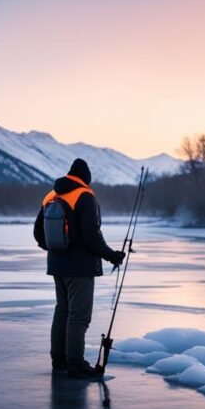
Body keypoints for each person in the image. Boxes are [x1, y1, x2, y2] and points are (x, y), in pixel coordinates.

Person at [34, 158, 125, 379]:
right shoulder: (84, 196)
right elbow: (91, 236)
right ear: (86, 178)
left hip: (56, 266)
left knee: (62, 311)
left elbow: (38, 234)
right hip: (80, 269)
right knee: (79, 317)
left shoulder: (51, 195)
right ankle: (76, 365)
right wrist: (112, 256)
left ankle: (59, 360)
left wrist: (58, 250)